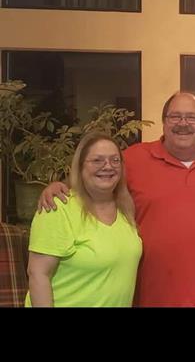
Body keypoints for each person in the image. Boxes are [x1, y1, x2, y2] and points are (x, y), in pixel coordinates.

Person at [37, 92, 195, 307]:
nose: (183, 123)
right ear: (164, 122)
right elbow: (98, 174)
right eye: (175, 117)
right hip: (149, 296)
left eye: (192, 117)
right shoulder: (135, 158)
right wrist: (59, 186)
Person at [26, 131, 142, 307]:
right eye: (97, 160)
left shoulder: (126, 209)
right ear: (80, 166)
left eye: (115, 160)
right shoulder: (58, 208)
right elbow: (37, 274)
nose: (108, 166)